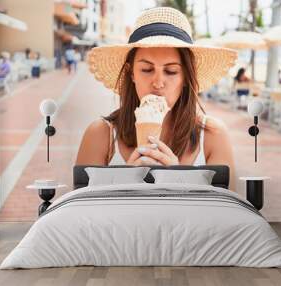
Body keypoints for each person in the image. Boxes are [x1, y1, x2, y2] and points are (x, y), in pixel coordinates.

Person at [75, 7, 237, 187]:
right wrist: (124, 185)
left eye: (171, 71)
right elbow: (79, 212)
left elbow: (228, 214)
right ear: (131, 74)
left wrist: (180, 182)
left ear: (185, 77)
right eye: (146, 69)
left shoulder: (212, 136)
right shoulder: (100, 135)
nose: (158, 82)